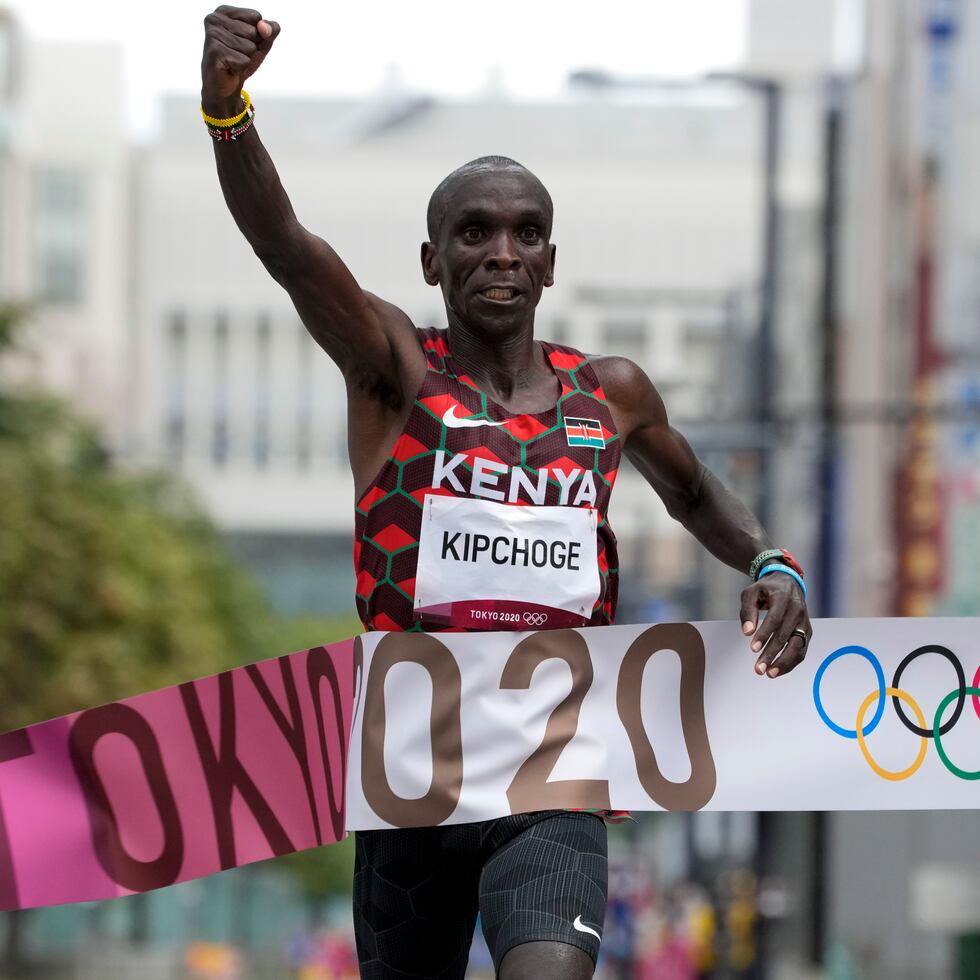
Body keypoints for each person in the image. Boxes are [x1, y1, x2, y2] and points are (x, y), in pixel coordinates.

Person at [200, 8, 813, 979]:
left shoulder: (605, 393)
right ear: (430, 261)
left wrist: (767, 558)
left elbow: (693, 491)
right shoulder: (393, 369)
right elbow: (286, 247)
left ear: (549, 263)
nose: (501, 251)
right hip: (410, 781)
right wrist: (227, 111)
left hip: (552, 779)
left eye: (526, 233)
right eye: (473, 232)